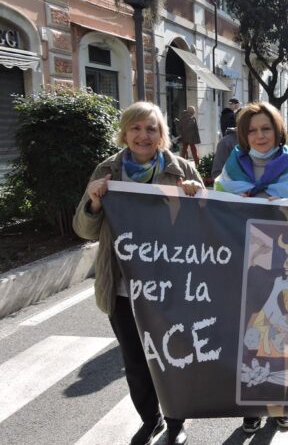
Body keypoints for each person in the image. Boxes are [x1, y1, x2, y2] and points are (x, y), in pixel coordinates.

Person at [73, 101, 203, 445]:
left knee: (174, 357)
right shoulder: (107, 170)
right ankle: (151, 419)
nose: (143, 136)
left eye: (151, 129)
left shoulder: (182, 169)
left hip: (170, 288)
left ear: (161, 135)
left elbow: (205, 228)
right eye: (136, 128)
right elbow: (84, 229)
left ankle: (176, 423)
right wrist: (94, 202)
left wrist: (197, 198)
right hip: (121, 287)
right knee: (135, 360)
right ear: (125, 132)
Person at [214, 102, 288, 434]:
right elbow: (215, 211)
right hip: (244, 265)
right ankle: (252, 405)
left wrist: (284, 210)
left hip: (286, 267)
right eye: (252, 130)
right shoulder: (232, 170)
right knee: (249, 332)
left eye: (266, 128)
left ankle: (280, 404)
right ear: (243, 135)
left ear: (278, 131)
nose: (259, 136)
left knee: (283, 332)